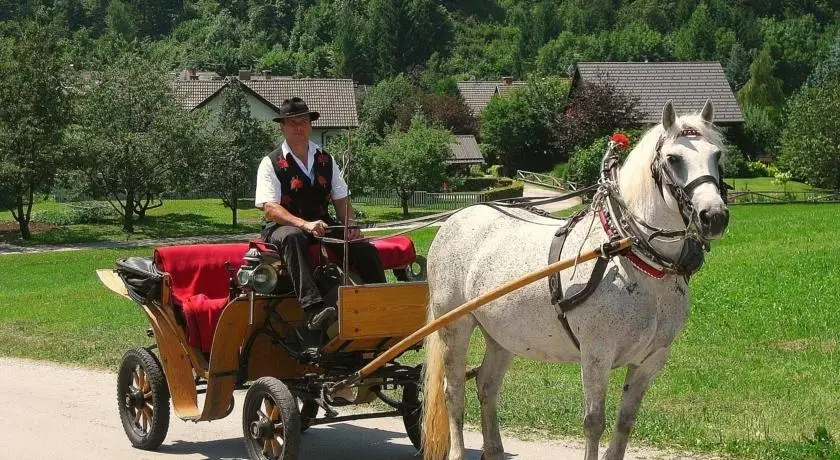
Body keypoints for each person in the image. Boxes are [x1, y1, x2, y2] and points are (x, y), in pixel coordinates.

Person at [255, 97, 386, 332]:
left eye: (303, 121)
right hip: (283, 227)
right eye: (292, 122)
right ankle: (314, 309)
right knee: (292, 237)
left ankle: (383, 304)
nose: (298, 127)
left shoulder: (326, 159)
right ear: (282, 127)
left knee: (363, 248)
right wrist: (304, 224)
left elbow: (341, 197)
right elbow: (269, 208)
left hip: (322, 224)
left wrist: (350, 225)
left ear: (310, 125)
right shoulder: (270, 163)